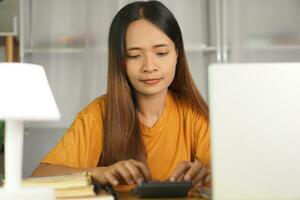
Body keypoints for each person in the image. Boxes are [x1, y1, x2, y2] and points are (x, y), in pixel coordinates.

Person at [32, 0, 211, 191]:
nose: (149, 67)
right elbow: (38, 178)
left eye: (161, 53)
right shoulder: (97, 116)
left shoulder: (194, 115)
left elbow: (236, 175)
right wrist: (97, 173)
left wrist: (209, 177)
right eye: (134, 56)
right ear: (119, 60)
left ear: (177, 53)